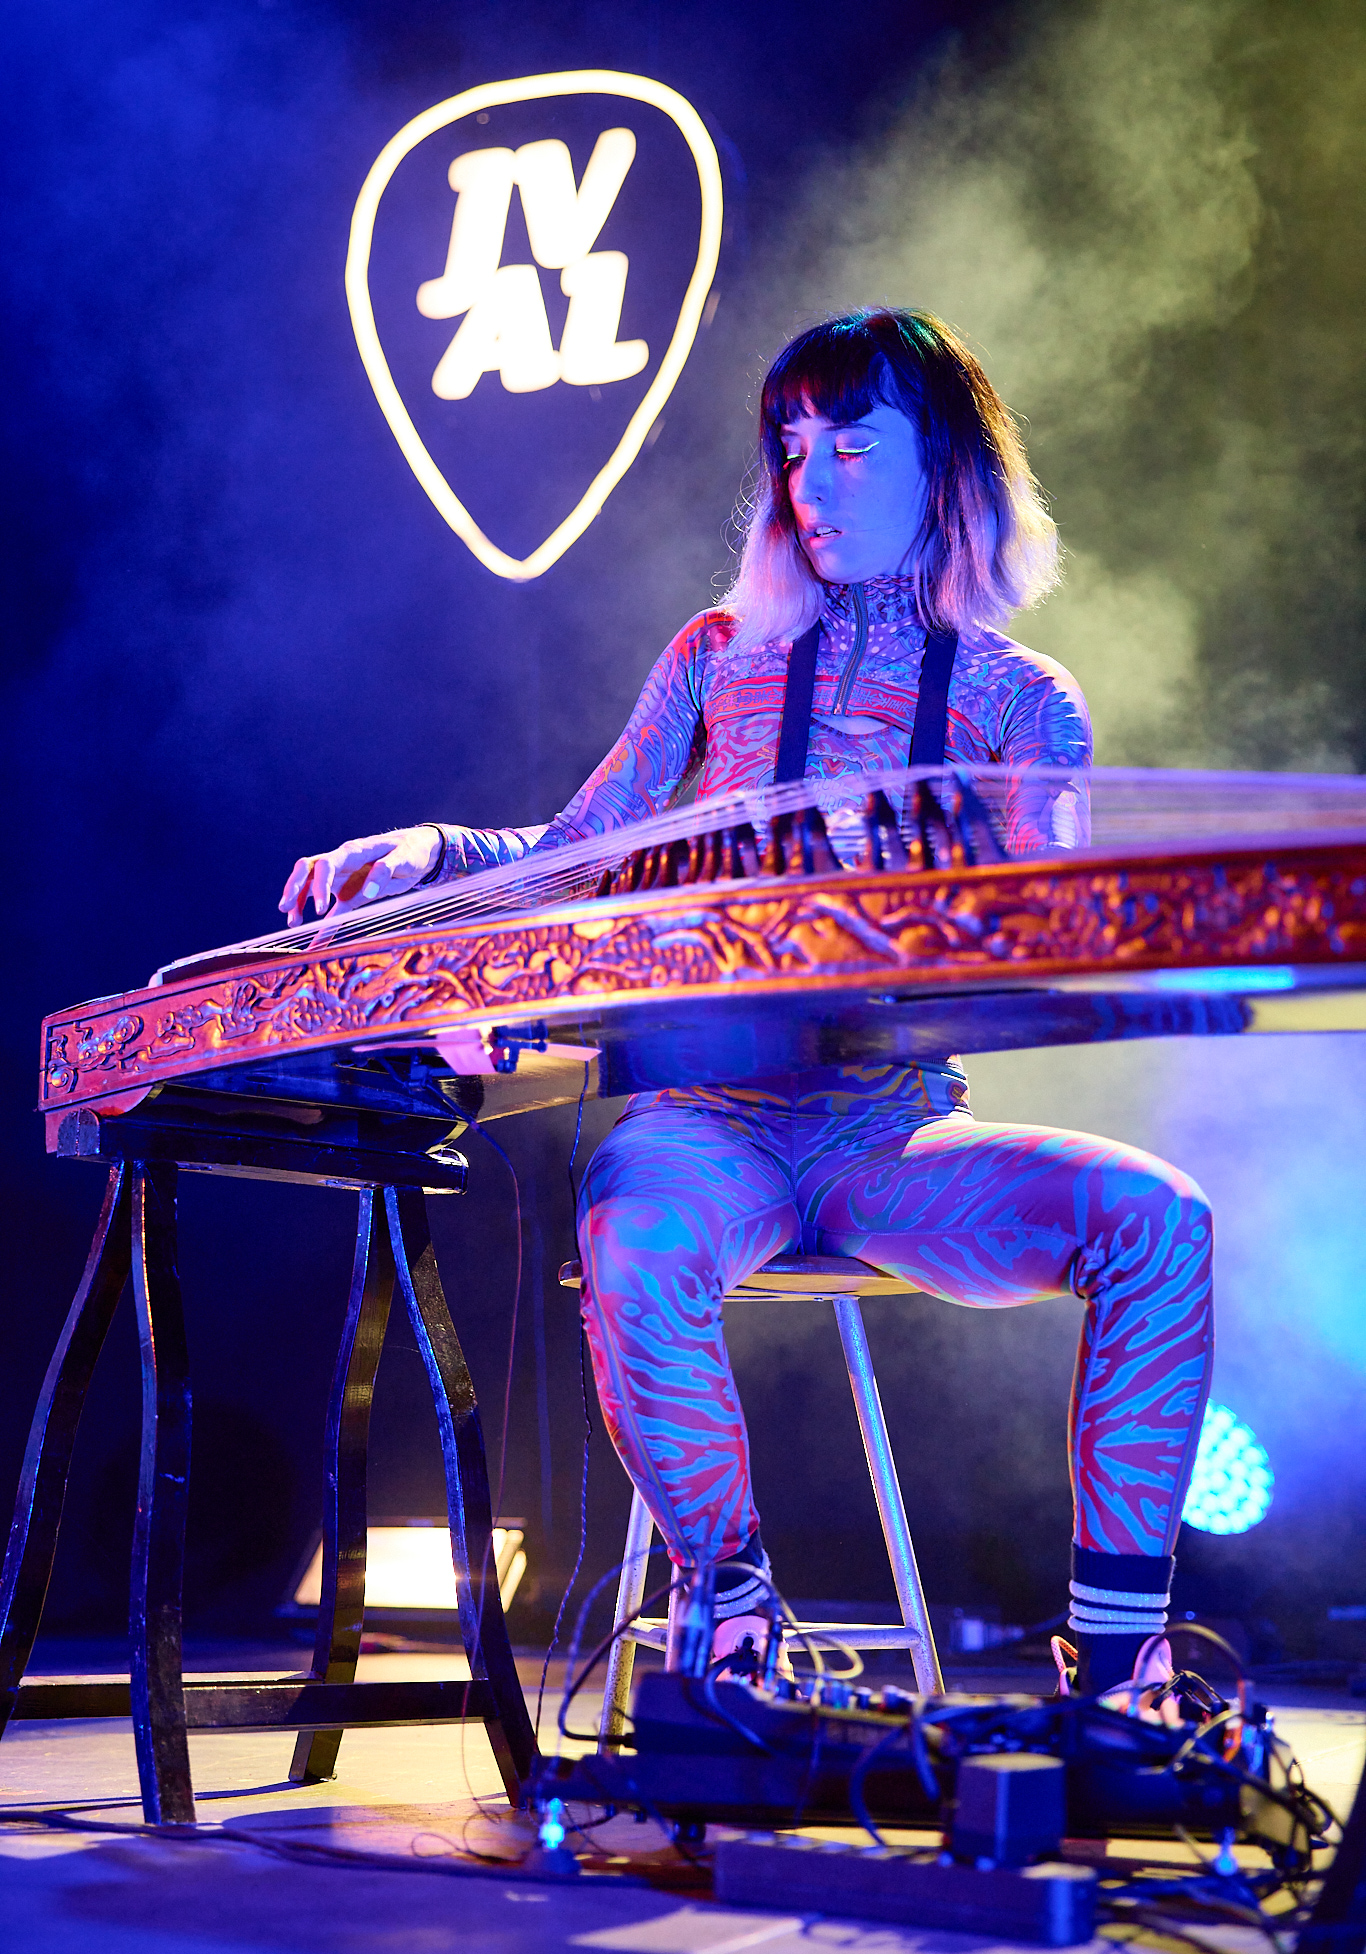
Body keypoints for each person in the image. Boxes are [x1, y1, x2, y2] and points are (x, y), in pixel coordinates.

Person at [281, 309, 1213, 1700]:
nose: (809, 482)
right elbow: (575, 849)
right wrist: (433, 855)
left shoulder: (1024, 703)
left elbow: (1050, 946)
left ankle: (1124, 1662)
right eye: (791, 448)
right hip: (706, 1125)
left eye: (853, 447)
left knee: (1158, 1220)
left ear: (946, 467)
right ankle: (728, 1609)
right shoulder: (716, 655)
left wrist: (966, 914)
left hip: (889, 1139)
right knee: (633, 1226)